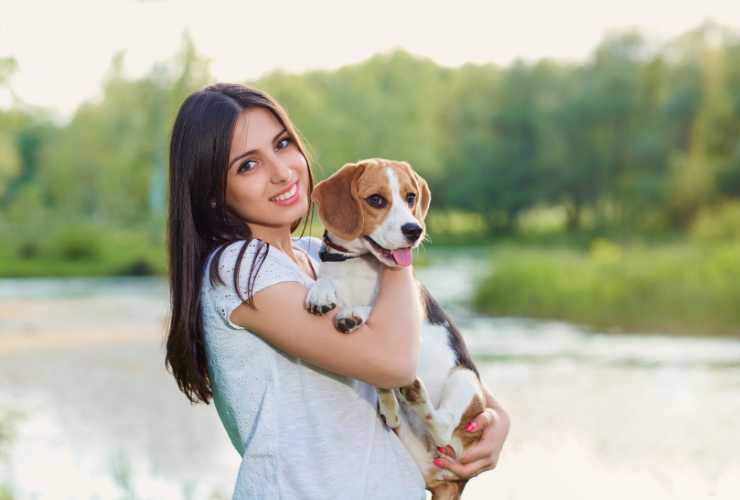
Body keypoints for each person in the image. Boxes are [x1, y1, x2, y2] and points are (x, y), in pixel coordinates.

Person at [165, 82, 509, 499]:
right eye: (247, 166)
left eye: (283, 143)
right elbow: (395, 363)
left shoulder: (318, 257)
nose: (281, 171)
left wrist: (496, 417)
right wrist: (396, 240)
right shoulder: (240, 269)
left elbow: (432, 356)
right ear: (212, 193)